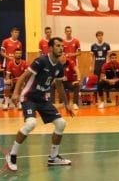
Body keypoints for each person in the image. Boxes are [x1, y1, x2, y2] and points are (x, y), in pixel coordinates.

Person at [4, 36, 75, 173]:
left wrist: (67, 104)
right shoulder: (41, 61)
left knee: (61, 124)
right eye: (58, 46)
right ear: (50, 48)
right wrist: (16, 93)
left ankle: (53, 158)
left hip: (42, 99)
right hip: (29, 97)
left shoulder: (59, 66)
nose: (61, 48)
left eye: (62, 46)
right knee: (31, 124)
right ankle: (12, 155)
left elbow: (59, 86)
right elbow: (23, 77)